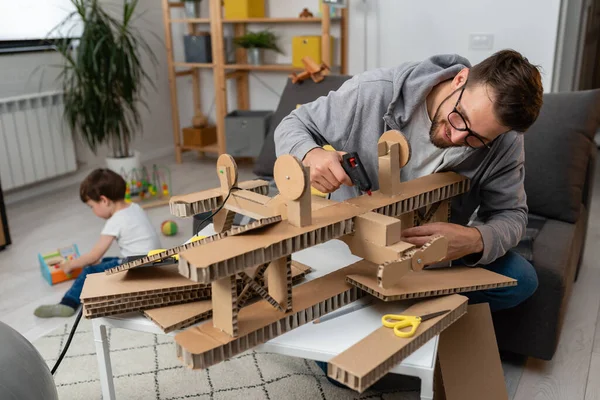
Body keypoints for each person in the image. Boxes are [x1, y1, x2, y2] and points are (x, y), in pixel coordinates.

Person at [274, 49, 543, 313]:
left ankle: (402, 299)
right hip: (355, 242)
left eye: (477, 139)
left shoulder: (505, 141)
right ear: (460, 79)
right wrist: (310, 153)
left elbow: (512, 214)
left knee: (522, 279)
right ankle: (386, 301)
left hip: (430, 255)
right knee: (336, 336)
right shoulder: (374, 91)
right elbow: (293, 124)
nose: (458, 137)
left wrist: (474, 239)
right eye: (460, 117)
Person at [34, 168, 161, 318]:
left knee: (89, 271)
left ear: (104, 200)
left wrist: (70, 265)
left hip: (136, 270)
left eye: (92, 206)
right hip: (155, 264)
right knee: (108, 261)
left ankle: (67, 304)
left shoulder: (115, 221)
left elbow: (94, 256)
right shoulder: (135, 208)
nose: (93, 211)